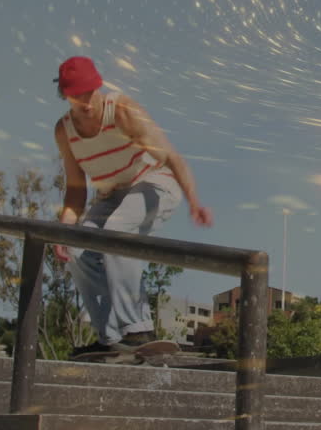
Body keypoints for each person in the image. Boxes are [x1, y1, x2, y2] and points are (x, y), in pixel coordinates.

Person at [51, 56, 213, 357]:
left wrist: (194, 201)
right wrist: (65, 230)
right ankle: (110, 336)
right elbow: (75, 190)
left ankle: (138, 328)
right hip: (112, 196)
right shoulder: (65, 131)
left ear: (98, 87)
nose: (86, 103)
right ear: (65, 96)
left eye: (89, 93)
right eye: (76, 97)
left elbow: (171, 156)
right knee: (75, 249)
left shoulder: (123, 112)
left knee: (117, 230)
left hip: (155, 182)